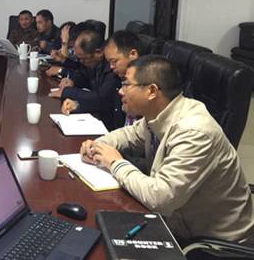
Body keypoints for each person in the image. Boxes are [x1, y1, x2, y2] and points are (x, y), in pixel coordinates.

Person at [80, 56, 254, 244]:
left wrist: (115, 162)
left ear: (152, 91)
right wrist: (98, 145)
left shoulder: (194, 132)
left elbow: (160, 198)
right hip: (176, 222)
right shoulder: (160, 113)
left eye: (126, 84)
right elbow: (131, 134)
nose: (120, 91)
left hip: (213, 244)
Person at [54, 30, 121, 129]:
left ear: (98, 52)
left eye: (84, 59)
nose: (81, 62)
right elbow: (84, 76)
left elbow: (101, 99)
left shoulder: (113, 68)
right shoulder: (94, 62)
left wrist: (67, 91)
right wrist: (72, 81)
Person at [103, 30, 142, 129]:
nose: (111, 66)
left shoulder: (145, 83)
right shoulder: (117, 77)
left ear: (133, 54)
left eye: (114, 61)